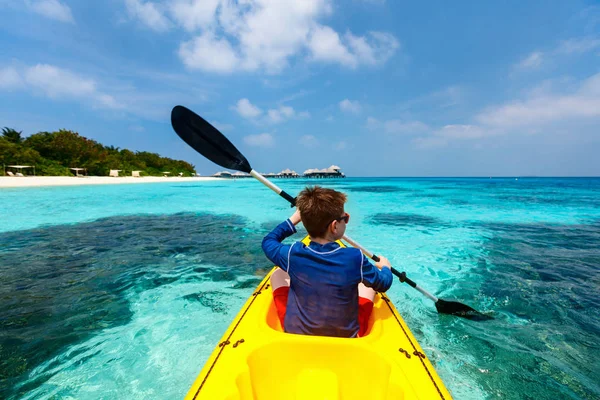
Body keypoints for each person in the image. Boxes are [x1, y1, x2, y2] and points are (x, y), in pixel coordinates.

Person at [262, 186, 393, 338]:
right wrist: (385, 268)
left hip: (297, 335)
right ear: (334, 226)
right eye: (346, 218)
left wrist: (295, 218)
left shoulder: (293, 253)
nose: (347, 220)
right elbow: (383, 284)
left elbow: (268, 241)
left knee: (278, 274)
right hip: (343, 338)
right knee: (369, 287)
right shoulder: (355, 257)